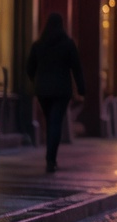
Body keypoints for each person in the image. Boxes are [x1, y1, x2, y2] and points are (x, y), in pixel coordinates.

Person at [26, 13, 86, 174]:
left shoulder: (39, 45)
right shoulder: (68, 44)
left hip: (43, 91)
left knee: (49, 120)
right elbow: (77, 68)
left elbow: (29, 68)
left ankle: (50, 157)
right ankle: (50, 159)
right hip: (61, 90)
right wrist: (81, 89)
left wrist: (36, 81)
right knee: (55, 123)